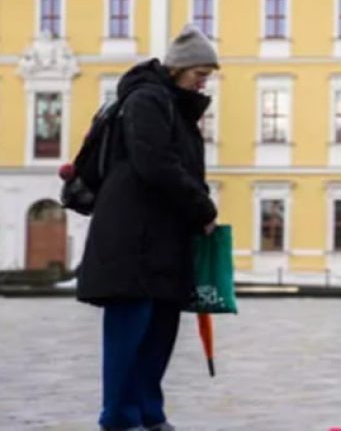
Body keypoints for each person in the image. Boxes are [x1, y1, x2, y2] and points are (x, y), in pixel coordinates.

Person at [76, 24, 220, 431]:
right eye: (200, 73)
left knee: (158, 334)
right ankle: (120, 419)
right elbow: (154, 163)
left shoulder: (173, 105)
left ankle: (149, 414)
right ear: (179, 68)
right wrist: (202, 208)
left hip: (162, 239)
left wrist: (195, 209)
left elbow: (177, 167)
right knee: (129, 334)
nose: (203, 81)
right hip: (131, 239)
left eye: (207, 74)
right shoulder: (147, 100)